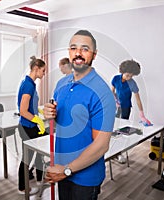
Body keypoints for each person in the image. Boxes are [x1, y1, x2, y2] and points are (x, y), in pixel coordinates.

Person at [44, 30, 116, 200]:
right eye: (73, 48)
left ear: (94, 54)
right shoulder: (61, 84)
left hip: (85, 177)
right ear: (69, 52)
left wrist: (67, 170)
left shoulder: (102, 93)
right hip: (61, 167)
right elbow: (59, 124)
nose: (78, 53)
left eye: (85, 49)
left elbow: (101, 145)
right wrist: (50, 115)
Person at [17, 56, 47, 195]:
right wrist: (38, 120)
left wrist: (39, 110)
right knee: (27, 157)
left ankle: (40, 177)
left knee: (40, 149)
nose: (44, 73)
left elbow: (30, 106)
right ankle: (23, 188)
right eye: (43, 70)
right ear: (36, 69)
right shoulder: (28, 85)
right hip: (27, 127)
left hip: (31, 125)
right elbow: (23, 111)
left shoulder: (30, 83)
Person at [111, 59, 151, 163]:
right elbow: (112, 92)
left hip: (126, 108)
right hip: (115, 108)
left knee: (122, 131)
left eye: (131, 76)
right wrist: (115, 100)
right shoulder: (115, 79)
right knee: (114, 130)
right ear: (122, 71)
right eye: (128, 75)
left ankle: (120, 153)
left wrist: (142, 114)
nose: (129, 77)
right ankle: (113, 152)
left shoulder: (132, 83)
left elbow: (138, 99)